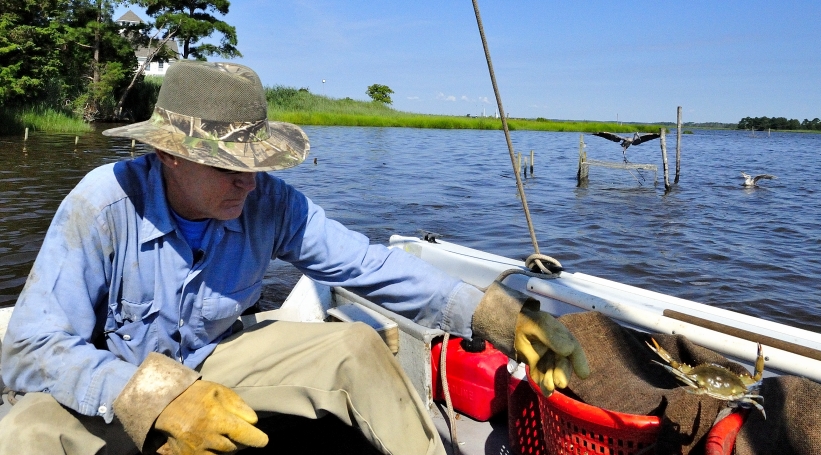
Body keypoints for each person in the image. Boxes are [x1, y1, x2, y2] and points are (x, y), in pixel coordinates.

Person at [0, 61, 588, 455]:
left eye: (257, 164)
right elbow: (28, 348)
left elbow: (369, 266)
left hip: (212, 364)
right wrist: (155, 397)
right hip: (116, 388)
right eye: (231, 166)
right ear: (169, 157)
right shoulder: (102, 205)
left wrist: (499, 317)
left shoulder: (268, 203)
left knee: (355, 347)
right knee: (24, 432)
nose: (250, 185)